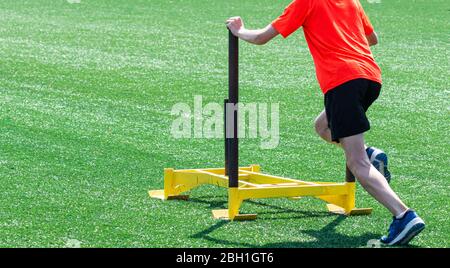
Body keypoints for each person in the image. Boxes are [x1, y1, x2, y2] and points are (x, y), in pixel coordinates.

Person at [226, 0, 425, 246]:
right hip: (370, 78)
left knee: (356, 162)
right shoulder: (351, 1)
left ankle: (404, 215)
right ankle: (371, 155)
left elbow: (261, 38)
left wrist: (239, 30)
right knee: (323, 126)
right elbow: (372, 39)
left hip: (342, 81)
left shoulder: (305, 2)